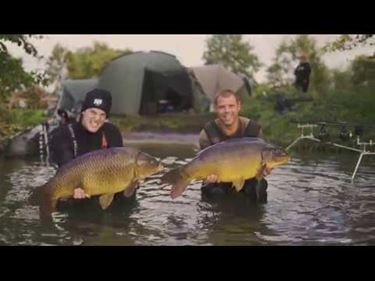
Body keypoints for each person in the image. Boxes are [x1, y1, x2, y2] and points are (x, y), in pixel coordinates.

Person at [50, 89, 136, 209]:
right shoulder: (63, 134)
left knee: (130, 190)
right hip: (76, 192)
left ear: (106, 118)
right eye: (93, 112)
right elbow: (65, 168)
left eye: (102, 115)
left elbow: (119, 165)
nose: (97, 119)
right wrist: (74, 188)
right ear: (83, 112)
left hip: (105, 190)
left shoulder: (112, 132)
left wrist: (133, 179)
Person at [198, 89, 271, 203]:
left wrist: (264, 171)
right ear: (216, 109)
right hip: (219, 178)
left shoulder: (253, 129)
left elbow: (261, 164)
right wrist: (206, 177)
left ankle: (254, 219)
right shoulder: (207, 133)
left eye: (231, 106)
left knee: (259, 187)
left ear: (238, 106)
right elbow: (202, 162)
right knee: (214, 193)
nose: (227, 111)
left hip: (247, 177)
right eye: (222, 107)